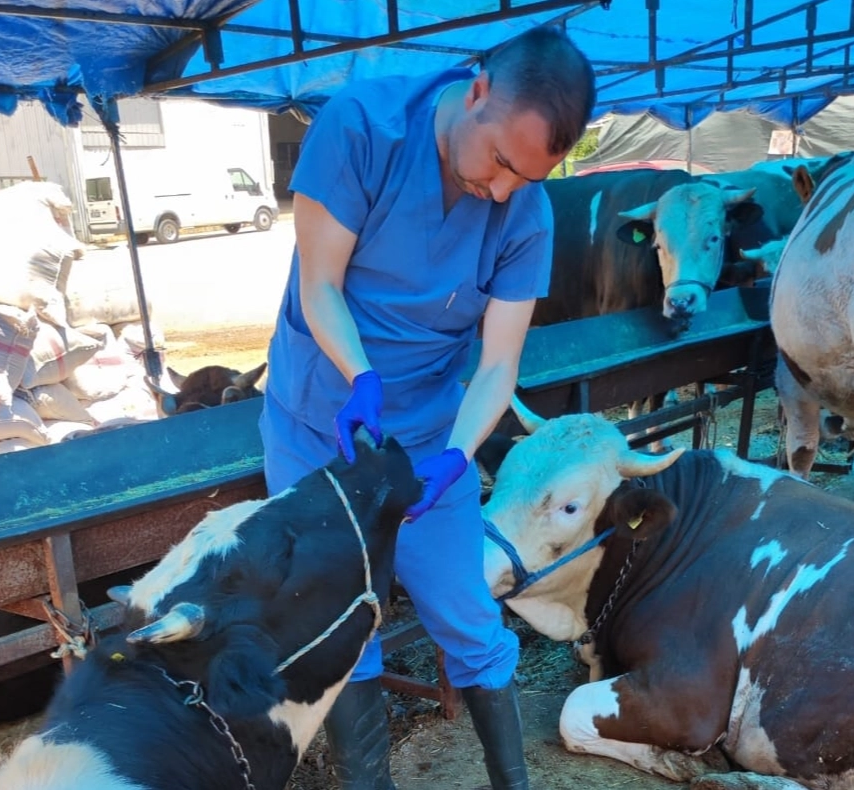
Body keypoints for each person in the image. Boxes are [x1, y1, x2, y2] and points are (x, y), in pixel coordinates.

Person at [258, 25, 596, 790]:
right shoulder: (362, 127)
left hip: (427, 435)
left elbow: (499, 361)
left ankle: (512, 782)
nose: (504, 192)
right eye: (502, 163)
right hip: (324, 416)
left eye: (528, 178)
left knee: (465, 614)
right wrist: (361, 378)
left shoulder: (525, 212)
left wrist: (454, 455)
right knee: (343, 619)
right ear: (476, 90)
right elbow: (320, 287)